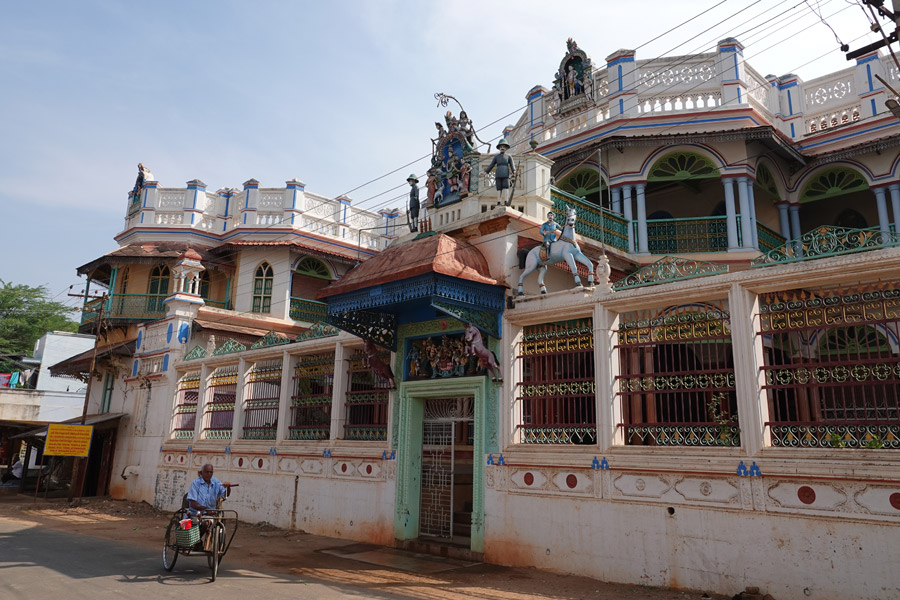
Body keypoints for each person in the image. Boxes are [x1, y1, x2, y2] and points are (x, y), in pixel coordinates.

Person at [485, 138, 516, 205]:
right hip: (498, 173)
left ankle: (506, 200)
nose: (502, 148)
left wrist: (514, 170)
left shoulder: (508, 156)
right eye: (501, 146)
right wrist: (486, 172)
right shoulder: (496, 157)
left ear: (506, 147)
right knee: (499, 188)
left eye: (504, 146)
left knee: (506, 186)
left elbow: (512, 164)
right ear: (499, 148)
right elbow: (491, 165)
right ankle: (498, 201)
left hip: (506, 173)